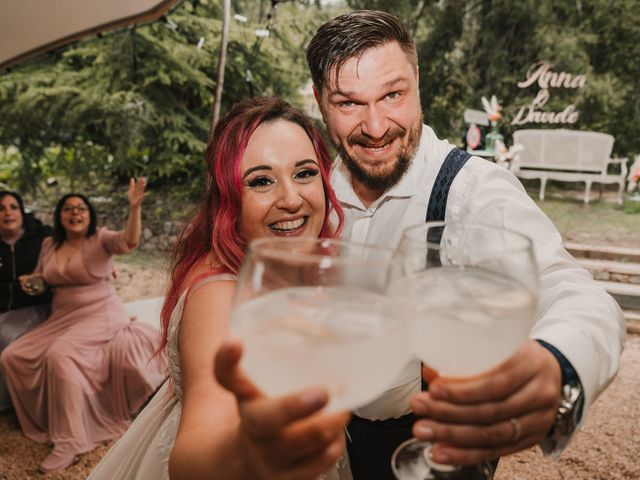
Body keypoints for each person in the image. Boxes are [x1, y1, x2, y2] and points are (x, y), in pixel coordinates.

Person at [217, 9, 625, 479]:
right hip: (330, 444)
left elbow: (573, 289)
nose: (375, 126)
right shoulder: (313, 192)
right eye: (349, 103)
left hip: (434, 446)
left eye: (392, 95)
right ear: (319, 102)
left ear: (417, 82)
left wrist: (557, 365)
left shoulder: (473, 188)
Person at [87, 96, 350, 480]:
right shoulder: (221, 295)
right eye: (261, 180)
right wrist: (249, 455)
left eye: (305, 173)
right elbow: (194, 454)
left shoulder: (298, 266)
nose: (291, 199)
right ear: (229, 199)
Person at [0, 181, 167, 473]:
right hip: (63, 316)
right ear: (59, 215)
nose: (75, 212)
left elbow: (129, 241)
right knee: (13, 355)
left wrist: (135, 208)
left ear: (89, 215)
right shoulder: (50, 244)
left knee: (59, 355)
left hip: (100, 313)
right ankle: (46, 419)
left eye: (81, 208)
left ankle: (71, 439)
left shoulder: (101, 239)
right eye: (68, 208)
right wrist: (32, 282)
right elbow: (42, 278)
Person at [0, 190, 52, 412]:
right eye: (1, 208)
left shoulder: (42, 238)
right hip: (5, 313)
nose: (7, 212)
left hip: (42, 309)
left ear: (22, 212)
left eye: (13, 207)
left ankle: (41, 406)